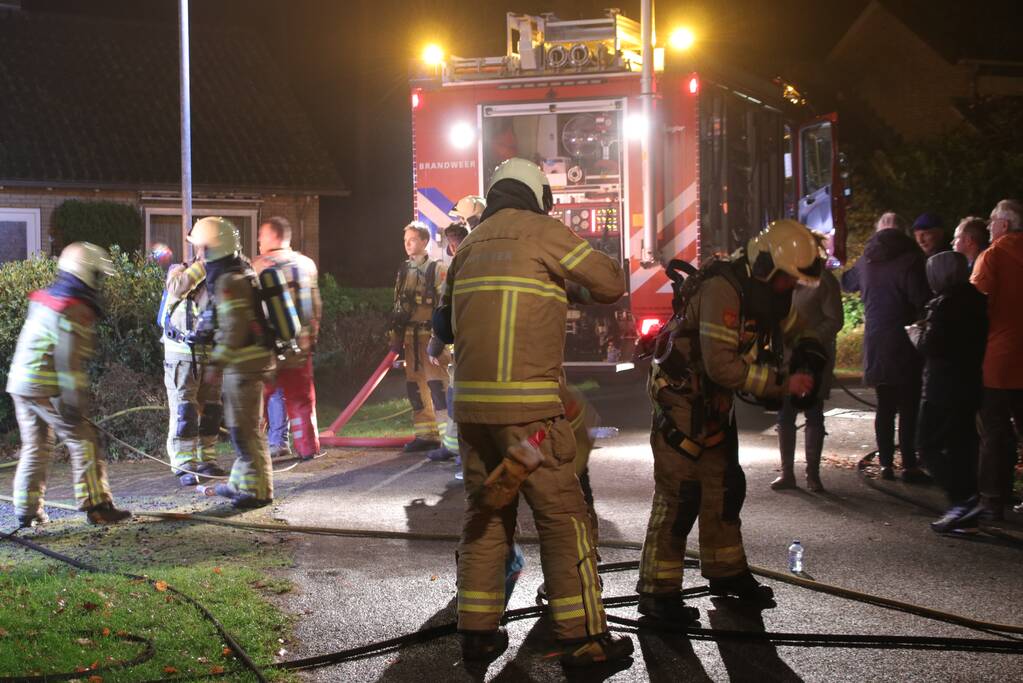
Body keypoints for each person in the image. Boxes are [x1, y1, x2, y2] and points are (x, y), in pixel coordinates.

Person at [442, 158, 633, 666]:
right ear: (539, 197)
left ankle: (477, 632)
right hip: (529, 414)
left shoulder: (468, 247)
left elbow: (443, 324)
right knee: (561, 516)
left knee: (487, 514)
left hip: (472, 413)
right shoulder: (544, 232)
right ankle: (585, 639)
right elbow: (610, 283)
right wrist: (573, 281)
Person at [636, 219, 823, 625]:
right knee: (680, 496)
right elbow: (722, 366)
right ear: (764, 267)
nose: (789, 289)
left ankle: (726, 573)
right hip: (681, 399)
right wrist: (783, 383)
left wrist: (808, 351)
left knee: (724, 489)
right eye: (787, 280)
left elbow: (794, 326)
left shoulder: (765, 292)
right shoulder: (723, 289)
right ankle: (657, 594)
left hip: (712, 403)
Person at [9, 242, 131, 526]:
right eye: (98, 275)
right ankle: (97, 506)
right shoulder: (74, 308)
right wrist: (73, 402)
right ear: (85, 273)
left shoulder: (48, 298)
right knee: (84, 440)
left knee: (35, 446)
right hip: (45, 385)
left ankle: (27, 512)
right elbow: (67, 361)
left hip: (20, 383)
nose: (100, 283)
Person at [186, 217, 276, 509]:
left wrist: (216, 364)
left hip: (244, 364)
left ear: (214, 248)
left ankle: (258, 492)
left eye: (201, 248)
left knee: (244, 430)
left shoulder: (229, 281)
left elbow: (233, 327)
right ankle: (243, 484)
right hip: (247, 363)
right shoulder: (237, 272)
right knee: (243, 428)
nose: (198, 255)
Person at [841, 212, 931, 482]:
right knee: (909, 406)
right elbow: (921, 299)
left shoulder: (867, 260)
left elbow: (847, 282)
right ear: (902, 232)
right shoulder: (912, 259)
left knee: (884, 406)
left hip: (876, 342)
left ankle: (886, 465)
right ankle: (909, 465)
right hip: (905, 343)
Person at [915, 251, 987, 533]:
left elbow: (932, 345)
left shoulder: (944, 305)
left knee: (927, 444)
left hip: (941, 387)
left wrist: (919, 335)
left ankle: (962, 499)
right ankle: (968, 514)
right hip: (970, 384)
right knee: (961, 446)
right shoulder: (979, 301)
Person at [964, 199, 1023, 522]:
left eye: (991, 221)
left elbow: (978, 305)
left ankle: (991, 499)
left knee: (994, 433)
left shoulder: (994, 256)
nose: (987, 226)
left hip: (999, 360)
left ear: (1003, 224)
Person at [772, 255, 844, 492]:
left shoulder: (824, 281)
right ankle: (787, 474)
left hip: (813, 357)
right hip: (786, 356)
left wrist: (810, 339)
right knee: (785, 414)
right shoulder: (782, 275)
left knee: (813, 412)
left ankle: (812, 475)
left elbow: (835, 320)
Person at [253, 216, 322, 462]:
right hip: (300, 347)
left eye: (261, 235)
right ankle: (307, 448)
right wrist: (311, 337)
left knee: (256, 400)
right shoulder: (307, 264)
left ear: (273, 236)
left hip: (267, 350)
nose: (259, 240)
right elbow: (316, 306)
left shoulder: (257, 266)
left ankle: (253, 453)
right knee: (302, 399)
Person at [160, 255, 226, 486]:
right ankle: (184, 464)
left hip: (210, 354)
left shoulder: (221, 275)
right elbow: (176, 288)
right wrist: (203, 265)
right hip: (182, 354)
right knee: (184, 410)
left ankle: (206, 459)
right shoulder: (180, 271)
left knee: (211, 410)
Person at [425, 201, 479, 464]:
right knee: (456, 394)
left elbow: (446, 307)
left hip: (471, 342)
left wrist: (436, 342)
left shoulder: (463, 261)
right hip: (477, 342)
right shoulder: (483, 257)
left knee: (464, 397)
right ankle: (455, 447)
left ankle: (466, 450)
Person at [390, 222, 450, 453]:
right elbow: (398, 305)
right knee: (415, 387)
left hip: (431, 338)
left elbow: (444, 306)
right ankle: (426, 434)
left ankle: (448, 439)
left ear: (424, 242)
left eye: (412, 239)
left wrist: (440, 339)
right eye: (405, 240)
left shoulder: (437, 270)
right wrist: (395, 336)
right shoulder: (403, 270)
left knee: (438, 386)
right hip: (410, 338)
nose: (407, 244)